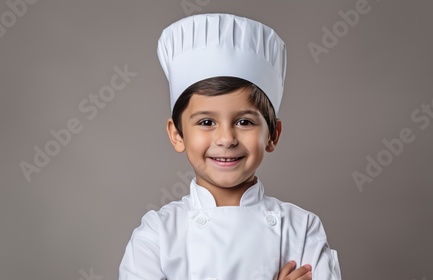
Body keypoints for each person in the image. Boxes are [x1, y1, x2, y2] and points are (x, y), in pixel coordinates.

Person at [119, 13, 341, 280]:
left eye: (245, 122)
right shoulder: (157, 235)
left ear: (273, 135)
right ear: (177, 134)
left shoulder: (302, 229)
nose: (226, 139)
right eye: (207, 121)